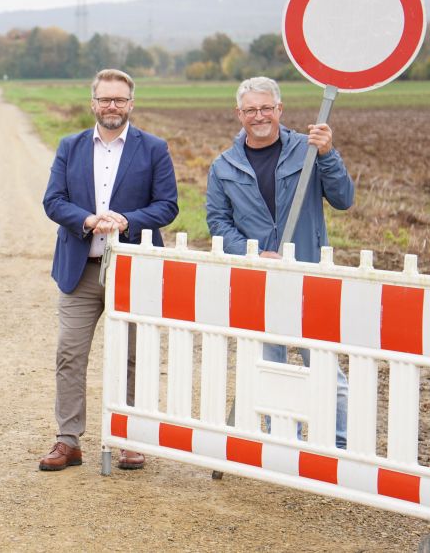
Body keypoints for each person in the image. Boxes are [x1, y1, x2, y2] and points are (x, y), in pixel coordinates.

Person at [40, 69, 178, 472]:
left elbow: (167, 205)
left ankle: (131, 438)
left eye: (119, 100)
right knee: (69, 353)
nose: (111, 106)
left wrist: (125, 221)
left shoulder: (153, 148)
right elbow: (53, 200)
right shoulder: (71, 146)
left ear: (131, 104)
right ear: (93, 103)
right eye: (104, 99)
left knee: (132, 356)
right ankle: (68, 440)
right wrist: (85, 220)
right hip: (80, 268)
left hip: (132, 270)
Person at [206, 76, 352, 448]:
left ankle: (339, 448)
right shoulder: (224, 166)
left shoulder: (309, 149)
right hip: (260, 283)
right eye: (251, 110)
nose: (260, 116)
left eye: (266, 108)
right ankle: (279, 445)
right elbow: (218, 224)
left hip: (308, 278)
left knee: (326, 372)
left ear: (279, 109)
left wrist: (328, 155)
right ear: (239, 114)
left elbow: (344, 199)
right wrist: (252, 253)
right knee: (268, 371)